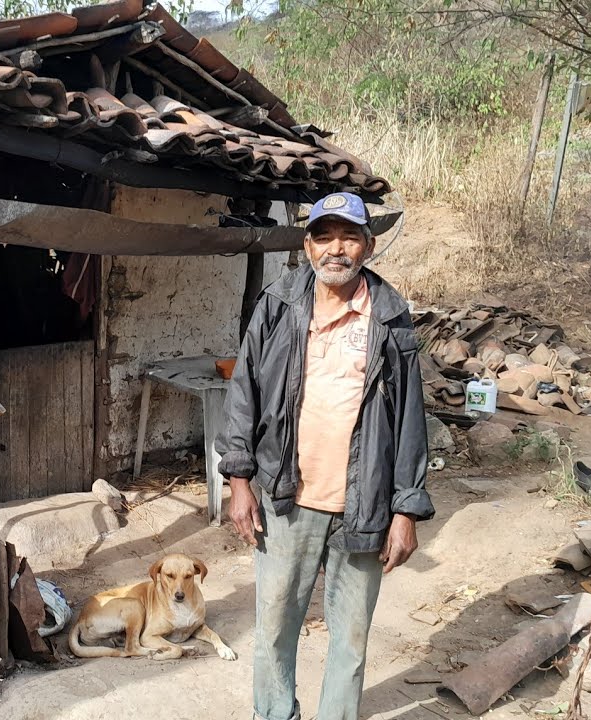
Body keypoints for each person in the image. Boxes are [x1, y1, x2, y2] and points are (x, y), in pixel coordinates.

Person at [215, 192, 435, 720]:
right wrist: (239, 480)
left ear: (368, 245)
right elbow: (244, 391)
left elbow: (409, 419)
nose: (337, 249)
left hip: (365, 505)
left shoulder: (390, 316)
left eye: (350, 236)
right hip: (288, 497)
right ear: (308, 244)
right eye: (324, 236)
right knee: (273, 628)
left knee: (352, 639)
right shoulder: (280, 304)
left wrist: (406, 509)